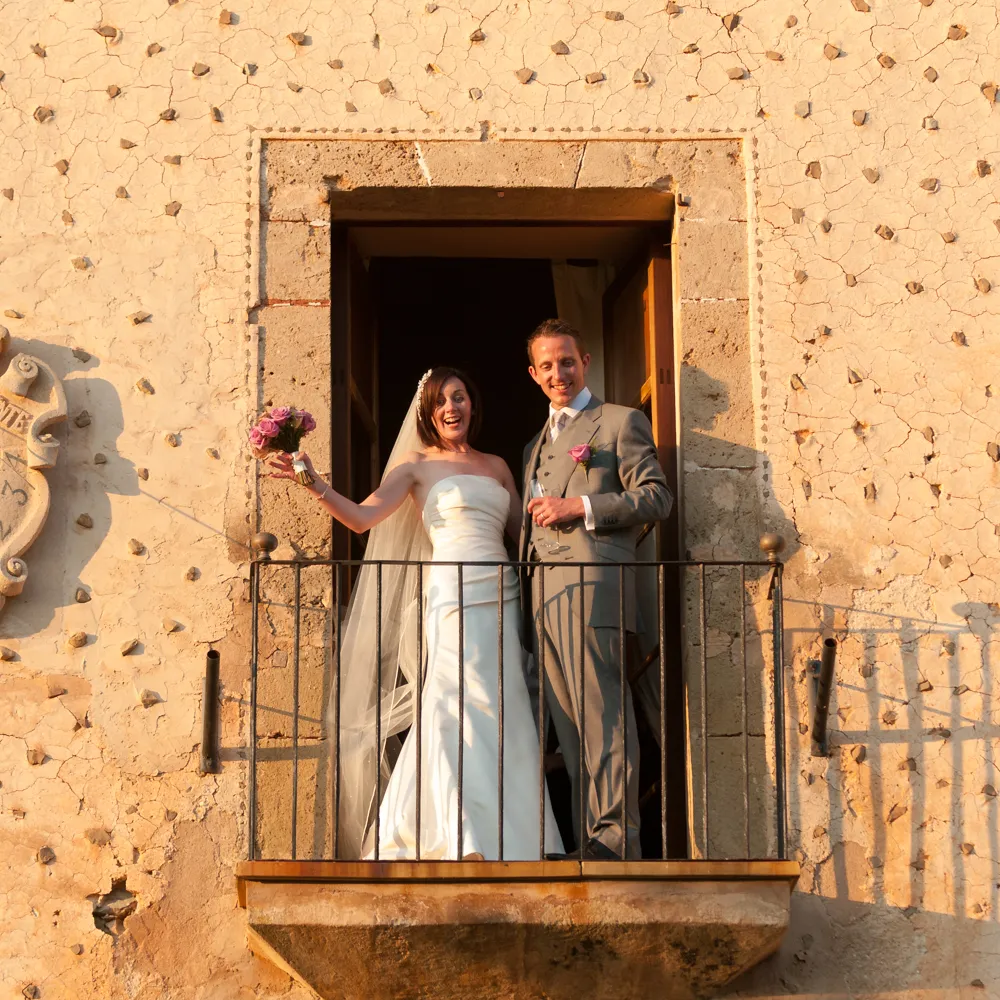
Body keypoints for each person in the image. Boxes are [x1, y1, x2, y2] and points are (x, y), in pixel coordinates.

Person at [269, 367, 563, 861]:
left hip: (502, 591)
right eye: (442, 400)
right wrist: (313, 482)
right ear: (427, 411)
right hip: (450, 594)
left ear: (473, 405)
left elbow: (525, 536)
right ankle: (458, 831)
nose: (453, 408)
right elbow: (363, 517)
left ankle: (517, 837)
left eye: (461, 397)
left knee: (503, 702)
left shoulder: (497, 466)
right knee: (454, 701)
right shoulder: (415, 465)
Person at [521, 319, 673, 860]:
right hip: (545, 598)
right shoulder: (532, 446)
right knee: (570, 725)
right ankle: (590, 841)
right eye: (547, 365)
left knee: (603, 715)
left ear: (585, 361)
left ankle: (616, 841)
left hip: (595, 587)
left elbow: (656, 497)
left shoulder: (619, 422)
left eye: (567, 361)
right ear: (534, 374)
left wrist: (581, 506)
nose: (558, 373)